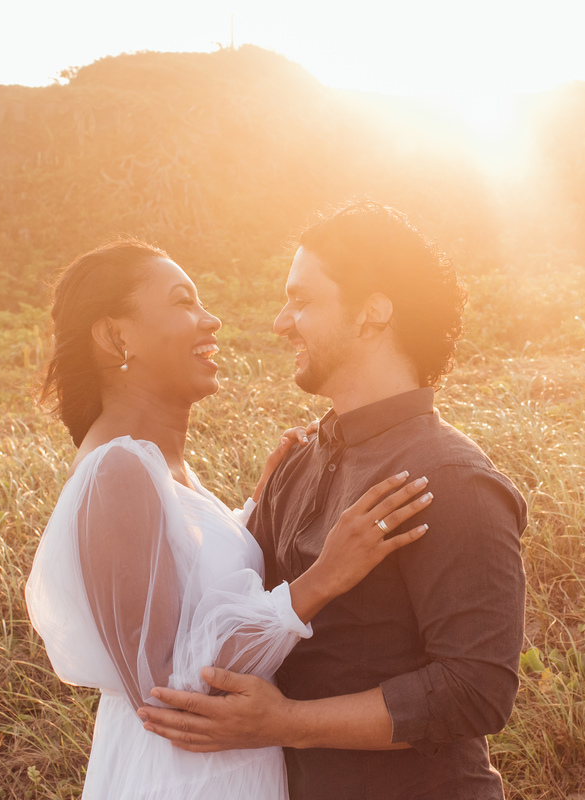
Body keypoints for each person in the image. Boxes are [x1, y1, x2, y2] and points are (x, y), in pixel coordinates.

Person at [140, 202, 528, 800]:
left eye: (302, 300)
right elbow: (242, 607)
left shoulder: (450, 479)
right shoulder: (297, 461)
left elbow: (475, 689)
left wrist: (286, 723)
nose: (280, 322)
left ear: (373, 311)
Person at [24, 239, 434, 800]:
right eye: (183, 302)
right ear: (117, 337)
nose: (211, 320)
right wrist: (320, 580)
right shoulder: (120, 468)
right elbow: (169, 689)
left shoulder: (155, 466)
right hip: (182, 780)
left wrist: (258, 507)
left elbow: (186, 591)